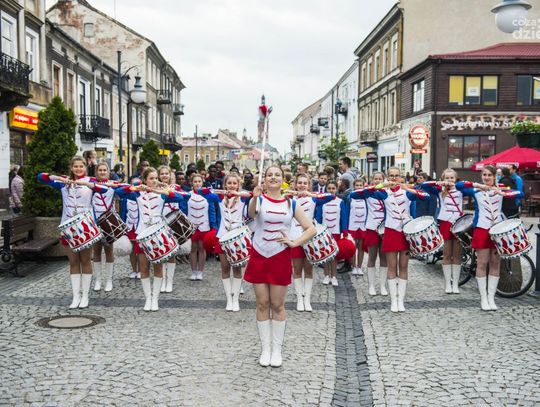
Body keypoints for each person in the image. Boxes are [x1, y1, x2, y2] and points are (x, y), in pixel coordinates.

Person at [245, 166, 316, 367]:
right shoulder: (258, 200)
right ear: (264, 179)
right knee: (262, 303)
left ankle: (276, 350)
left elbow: (310, 229)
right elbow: (251, 214)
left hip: (280, 256)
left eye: (277, 175)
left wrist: (294, 242)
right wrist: (254, 198)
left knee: (277, 305)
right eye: (270, 175)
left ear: (283, 179)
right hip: (259, 254)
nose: (273, 178)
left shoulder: (291, 203)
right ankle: (265, 349)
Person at [37, 157, 109, 309]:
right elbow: (41, 177)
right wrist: (59, 178)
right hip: (68, 228)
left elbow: (103, 189)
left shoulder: (90, 181)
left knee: (86, 261)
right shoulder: (64, 183)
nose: (78, 169)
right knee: (73, 262)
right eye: (75, 166)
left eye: (81, 166)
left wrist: (86, 184)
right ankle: (76, 296)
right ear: (71, 167)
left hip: (85, 227)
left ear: (85, 168)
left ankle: (85, 296)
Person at [115, 167, 189, 311]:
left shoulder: (162, 194)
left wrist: (161, 189)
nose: (154, 180)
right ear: (144, 180)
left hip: (157, 235)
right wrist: (137, 186)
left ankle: (155, 298)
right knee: (143, 267)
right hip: (142, 234)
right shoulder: (138, 194)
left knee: (157, 267)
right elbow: (119, 192)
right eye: (151, 178)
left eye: (156, 178)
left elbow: (180, 198)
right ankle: (148, 298)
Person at [456, 166, 523, 311]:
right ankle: (483, 298)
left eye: (489, 175)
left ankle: (491, 298)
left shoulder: (500, 189)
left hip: (497, 231)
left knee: (495, 263)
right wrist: (478, 185)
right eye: (484, 175)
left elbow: (520, 193)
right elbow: (459, 185)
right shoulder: (476, 190)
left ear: (494, 177)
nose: (486, 177)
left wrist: (503, 193)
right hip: (482, 229)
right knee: (482, 263)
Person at [363, 167, 428, 312]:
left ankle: (401, 300)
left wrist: (407, 188)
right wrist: (383, 185)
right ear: (387, 177)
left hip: (405, 233)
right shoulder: (384, 193)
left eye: (396, 176)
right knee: (392, 266)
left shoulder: (406, 193)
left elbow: (426, 196)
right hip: (391, 231)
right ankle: (393, 300)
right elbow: (364, 192)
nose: (394, 178)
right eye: (391, 176)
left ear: (400, 177)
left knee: (403, 266)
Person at [201, 173, 252, 311]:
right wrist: (217, 191)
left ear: (239, 185)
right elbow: (203, 192)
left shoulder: (242, 198)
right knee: (225, 268)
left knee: (237, 268)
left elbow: (252, 195)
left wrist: (238, 193)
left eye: (235, 183)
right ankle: (229, 298)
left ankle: (236, 299)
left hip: (237, 237)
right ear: (225, 184)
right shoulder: (219, 197)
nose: (232, 186)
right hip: (222, 237)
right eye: (229, 183)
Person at [288, 174, 332, 311]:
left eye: (305, 183)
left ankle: (307, 299)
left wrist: (310, 194)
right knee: (297, 269)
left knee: (308, 269)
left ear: (309, 185)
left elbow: (330, 197)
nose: (302, 185)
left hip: (310, 238)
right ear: (295, 184)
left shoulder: (313, 199)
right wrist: (291, 193)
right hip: (294, 237)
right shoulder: (290, 199)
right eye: (299, 183)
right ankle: (299, 299)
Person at [420, 169, 464, 294]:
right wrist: (437, 183)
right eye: (447, 178)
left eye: (452, 178)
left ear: (456, 179)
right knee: (447, 254)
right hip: (445, 222)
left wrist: (456, 184)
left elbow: (470, 187)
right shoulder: (439, 190)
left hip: (458, 223)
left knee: (457, 255)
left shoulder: (460, 189)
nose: (449, 180)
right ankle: (447, 283)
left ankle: (455, 284)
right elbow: (424, 186)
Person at [350, 172, 387, 296]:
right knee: (372, 257)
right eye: (375, 179)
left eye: (380, 179)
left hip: (385, 229)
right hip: (371, 228)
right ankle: (371, 285)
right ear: (372, 180)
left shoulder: (388, 192)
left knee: (384, 258)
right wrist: (371, 188)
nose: (377, 180)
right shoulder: (368, 192)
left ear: (383, 180)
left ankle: (382, 285)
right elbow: (353, 195)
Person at [91, 162, 119, 292]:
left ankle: (109, 280)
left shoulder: (113, 185)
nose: (102, 172)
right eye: (100, 170)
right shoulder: (91, 185)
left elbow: (125, 189)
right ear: (96, 172)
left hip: (108, 222)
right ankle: (98, 280)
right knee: (96, 251)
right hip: (95, 222)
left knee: (109, 250)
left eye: (105, 170)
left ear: (108, 172)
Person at [315, 179, 348, 286]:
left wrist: (345, 231)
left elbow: (343, 217)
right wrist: (317, 229)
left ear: (336, 189)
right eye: (329, 188)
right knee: (325, 254)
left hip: (336, 231)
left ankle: (334, 276)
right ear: (326, 189)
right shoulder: (322, 201)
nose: (331, 190)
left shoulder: (340, 201)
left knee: (334, 256)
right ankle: (326, 275)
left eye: (333, 188)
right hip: (324, 232)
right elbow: (318, 216)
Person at [187, 173, 217, 281]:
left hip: (204, 224)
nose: (197, 183)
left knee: (202, 248)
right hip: (191, 225)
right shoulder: (188, 194)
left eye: (199, 181)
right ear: (192, 183)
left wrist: (213, 225)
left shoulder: (208, 195)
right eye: (195, 181)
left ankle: (200, 272)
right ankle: (193, 271)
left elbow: (212, 210)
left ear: (202, 182)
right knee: (193, 248)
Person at [119, 177, 141, 279]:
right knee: (132, 250)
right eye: (133, 184)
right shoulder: (125, 198)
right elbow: (123, 213)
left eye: (137, 184)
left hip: (139, 227)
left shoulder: (142, 197)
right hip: (129, 227)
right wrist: (122, 227)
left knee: (140, 250)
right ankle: (134, 270)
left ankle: (141, 270)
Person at [348, 178, 367, 276]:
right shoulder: (350, 197)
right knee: (353, 247)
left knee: (361, 247)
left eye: (360, 185)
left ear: (363, 186)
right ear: (354, 186)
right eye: (357, 185)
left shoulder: (366, 197)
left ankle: (359, 266)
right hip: (352, 225)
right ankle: (353, 266)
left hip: (363, 225)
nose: (359, 187)